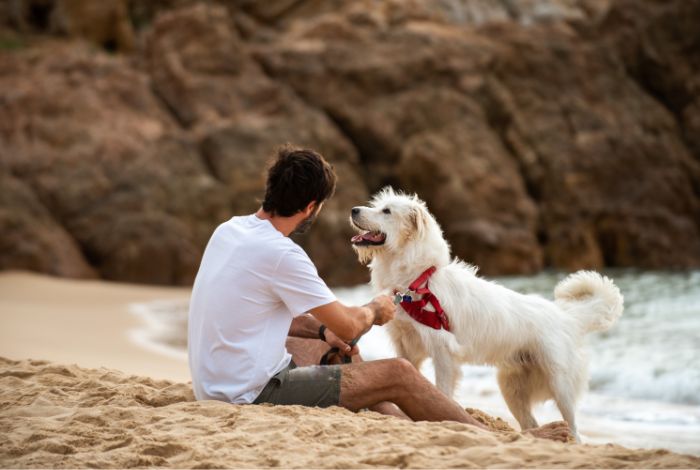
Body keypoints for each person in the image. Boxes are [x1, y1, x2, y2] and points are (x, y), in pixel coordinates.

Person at [187, 145, 571, 441]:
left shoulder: (230, 230)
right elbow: (352, 326)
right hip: (253, 394)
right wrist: (374, 308)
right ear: (310, 207)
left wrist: (323, 332)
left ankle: (405, 421)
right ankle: (488, 437)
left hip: (213, 382)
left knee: (335, 353)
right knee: (399, 372)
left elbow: (265, 315)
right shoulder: (283, 255)